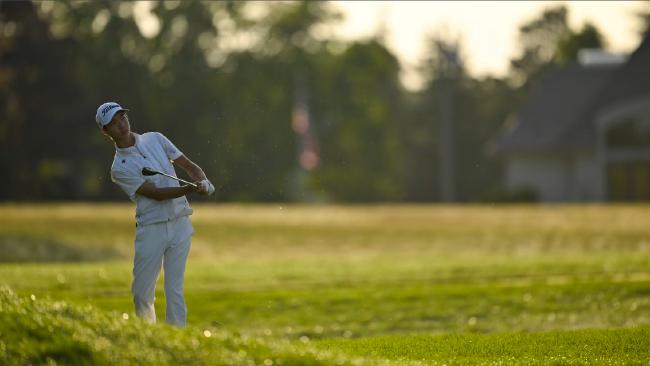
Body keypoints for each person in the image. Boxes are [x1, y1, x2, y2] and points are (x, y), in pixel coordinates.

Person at [95, 101, 214, 327]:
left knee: (174, 289)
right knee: (141, 293)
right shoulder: (119, 167)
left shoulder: (155, 138)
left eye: (122, 117)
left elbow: (189, 166)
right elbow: (156, 194)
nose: (121, 124)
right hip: (151, 229)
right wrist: (191, 189)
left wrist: (202, 180)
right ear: (105, 131)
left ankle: (176, 338)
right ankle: (148, 338)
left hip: (180, 224)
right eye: (113, 123)